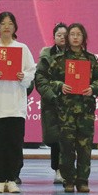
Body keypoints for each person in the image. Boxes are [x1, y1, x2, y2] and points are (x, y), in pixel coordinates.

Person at [35, 22, 98, 193]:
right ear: (67, 38)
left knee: (85, 147)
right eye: (72, 34)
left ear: (83, 37)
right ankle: (68, 179)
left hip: (85, 110)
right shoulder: (59, 60)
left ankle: (83, 180)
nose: (75, 37)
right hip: (65, 111)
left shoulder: (90, 59)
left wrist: (93, 88)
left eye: (78, 34)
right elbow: (48, 79)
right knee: (66, 146)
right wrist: (60, 85)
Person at [0, 11, 36, 193]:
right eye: (3, 23)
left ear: (15, 26)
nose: (7, 26)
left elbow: (31, 72)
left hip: (16, 105)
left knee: (15, 145)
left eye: (10, 23)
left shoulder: (22, 48)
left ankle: (12, 179)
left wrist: (23, 76)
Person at [36, 22, 67, 185]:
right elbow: (40, 79)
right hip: (52, 102)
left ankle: (69, 170)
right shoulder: (46, 54)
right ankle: (58, 170)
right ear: (54, 37)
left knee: (70, 138)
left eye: (65, 35)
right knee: (55, 138)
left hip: (71, 103)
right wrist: (52, 96)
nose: (62, 37)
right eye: (58, 35)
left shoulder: (76, 54)